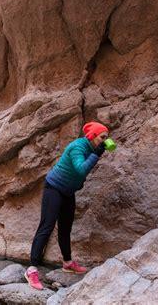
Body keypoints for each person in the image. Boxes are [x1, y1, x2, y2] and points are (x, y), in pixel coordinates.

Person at [24, 121, 110, 290]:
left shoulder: (92, 148)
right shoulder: (77, 147)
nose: (106, 140)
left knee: (65, 228)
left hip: (68, 192)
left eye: (107, 137)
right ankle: (32, 269)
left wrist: (97, 153)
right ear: (93, 136)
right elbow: (80, 169)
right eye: (103, 137)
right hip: (54, 188)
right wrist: (97, 155)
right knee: (46, 226)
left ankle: (67, 262)